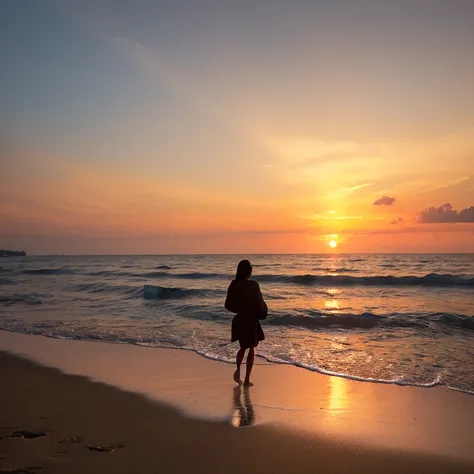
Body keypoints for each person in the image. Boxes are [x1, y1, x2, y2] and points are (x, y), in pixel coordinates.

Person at [225, 260, 268, 386]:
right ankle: (247, 379)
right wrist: (263, 311)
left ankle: (238, 371)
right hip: (250, 321)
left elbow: (228, 305)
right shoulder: (253, 285)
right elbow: (260, 303)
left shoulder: (233, 284)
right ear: (249, 272)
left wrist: (240, 310)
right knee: (251, 349)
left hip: (238, 320)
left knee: (243, 347)